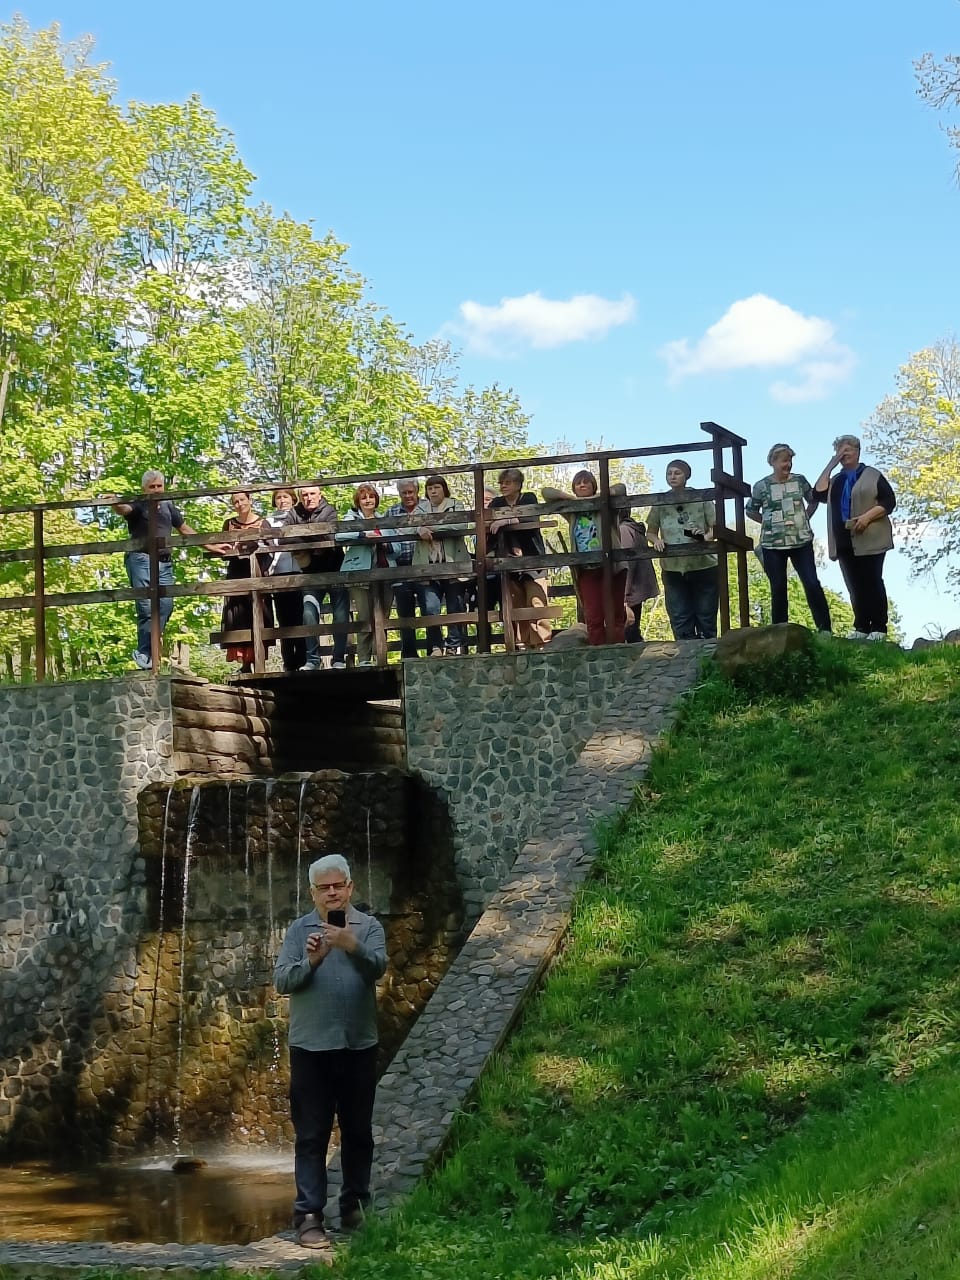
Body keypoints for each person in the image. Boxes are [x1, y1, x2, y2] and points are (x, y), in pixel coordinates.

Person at [273, 854, 386, 1246]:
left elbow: (378, 968)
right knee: (311, 1135)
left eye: (339, 885)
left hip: (358, 1045)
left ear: (350, 887)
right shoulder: (298, 930)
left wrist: (352, 946)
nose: (333, 893)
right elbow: (281, 981)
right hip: (311, 1048)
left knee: (358, 1133)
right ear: (313, 893)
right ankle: (308, 1216)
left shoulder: (368, 927)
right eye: (325, 887)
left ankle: (355, 1209)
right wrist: (312, 961)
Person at [106, 470, 201, 670]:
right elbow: (124, 509)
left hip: (164, 563)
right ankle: (146, 653)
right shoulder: (139, 504)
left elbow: (185, 529)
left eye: (159, 486)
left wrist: (212, 545)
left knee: (166, 605)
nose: (156, 490)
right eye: (152, 487)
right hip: (141, 559)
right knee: (146, 607)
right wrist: (114, 503)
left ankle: (148, 651)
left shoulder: (168, 506)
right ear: (144, 489)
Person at [814, 434, 896, 641]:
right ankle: (861, 626)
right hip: (844, 540)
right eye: (840, 451)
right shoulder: (836, 480)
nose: (844, 454)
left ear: (857, 451)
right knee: (854, 584)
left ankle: (879, 627)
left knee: (872, 581)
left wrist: (867, 518)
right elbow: (817, 493)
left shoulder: (872, 475)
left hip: (870, 537)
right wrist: (831, 464)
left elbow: (889, 502)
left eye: (847, 449)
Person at [746, 444, 833, 634]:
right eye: (784, 460)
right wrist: (767, 522)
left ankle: (825, 629)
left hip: (801, 541)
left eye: (790, 460)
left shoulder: (799, 480)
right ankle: (780, 630)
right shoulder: (761, 486)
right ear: (773, 462)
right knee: (778, 586)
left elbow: (813, 499)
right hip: (772, 544)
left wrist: (805, 517)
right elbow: (750, 510)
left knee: (811, 582)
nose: (788, 464)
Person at [542, 471, 627, 645]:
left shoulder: (605, 505)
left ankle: (618, 651)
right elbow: (546, 493)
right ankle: (597, 652)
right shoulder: (572, 511)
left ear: (593, 485)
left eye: (586, 482)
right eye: (578, 483)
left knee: (615, 614)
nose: (581, 485)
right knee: (593, 616)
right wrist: (571, 499)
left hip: (612, 567)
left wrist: (599, 496)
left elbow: (621, 488)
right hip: (586, 570)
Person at [646, 459, 718, 640]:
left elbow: (716, 527)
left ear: (686, 476)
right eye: (669, 473)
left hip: (703, 564)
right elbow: (650, 532)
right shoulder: (660, 501)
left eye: (677, 473)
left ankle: (708, 651)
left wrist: (705, 538)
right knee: (679, 616)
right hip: (673, 567)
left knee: (706, 615)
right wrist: (657, 541)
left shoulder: (701, 497)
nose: (672, 476)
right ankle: (685, 651)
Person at [283, 485, 349, 671]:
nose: (309, 497)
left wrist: (302, 538)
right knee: (309, 613)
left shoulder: (329, 511)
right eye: (304, 494)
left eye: (312, 493)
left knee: (341, 615)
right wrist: (314, 542)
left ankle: (339, 658)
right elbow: (284, 537)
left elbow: (329, 536)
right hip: (310, 574)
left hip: (335, 570)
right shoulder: (294, 513)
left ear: (320, 495)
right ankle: (313, 660)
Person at [488, 467, 552, 649]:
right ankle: (521, 644)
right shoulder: (497, 502)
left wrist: (507, 521)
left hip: (533, 560)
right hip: (509, 562)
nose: (503, 486)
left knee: (537, 603)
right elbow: (488, 523)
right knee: (516, 605)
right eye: (501, 483)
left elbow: (531, 519)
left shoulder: (528, 498)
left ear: (518, 484)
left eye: (507, 482)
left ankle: (541, 644)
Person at [336, 484, 397, 666]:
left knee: (383, 618)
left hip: (385, 573)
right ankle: (363, 658)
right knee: (364, 617)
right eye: (364, 498)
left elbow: (398, 548)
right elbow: (339, 535)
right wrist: (363, 534)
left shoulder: (384, 520)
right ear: (358, 502)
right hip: (359, 573)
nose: (368, 500)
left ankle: (380, 657)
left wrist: (384, 543)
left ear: (376, 500)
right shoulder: (352, 518)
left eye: (371, 497)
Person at [215, 491, 275, 674]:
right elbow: (222, 550)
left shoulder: (263, 523)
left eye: (242, 500)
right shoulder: (229, 524)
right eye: (235, 501)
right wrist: (230, 549)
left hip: (257, 573)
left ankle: (258, 661)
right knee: (238, 617)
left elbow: (271, 549)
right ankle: (245, 664)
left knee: (257, 615)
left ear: (250, 500)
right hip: (236, 575)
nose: (239, 504)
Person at [412, 474, 472, 657]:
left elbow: (460, 525)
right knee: (430, 608)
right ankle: (436, 647)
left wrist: (434, 529)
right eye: (430, 488)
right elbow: (406, 525)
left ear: (444, 489)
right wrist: (419, 529)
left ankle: (453, 646)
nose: (433, 491)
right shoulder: (420, 508)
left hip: (453, 564)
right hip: (428, 566)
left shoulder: (455, 505)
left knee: (455, 606)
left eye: (437, 487)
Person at [385, 479, 437, 659]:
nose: (408, 496)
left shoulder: (428, 507)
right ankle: (409, 654)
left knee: (430, 608)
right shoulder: (391, 512)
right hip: (401, 568)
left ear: (417, 491)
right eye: (404, 493)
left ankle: (433, 650)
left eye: (410, 492)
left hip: (425, 566)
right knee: (405, 613)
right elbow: (385, 534)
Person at [267, 488, 305, 673]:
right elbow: (265, 545)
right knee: (284, 619)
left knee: (301, 617)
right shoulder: (269, 521)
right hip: (279, 573)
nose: (282, 500)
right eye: (278, 498)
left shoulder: (301, 517)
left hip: (300, 571)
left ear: (293, 499)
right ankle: (289, 662)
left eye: (285, 497)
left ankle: (304, 659)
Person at [617, 510, 660, 642]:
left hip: (628, 592)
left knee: (628, 632)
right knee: (632, 632)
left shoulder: (624, 530)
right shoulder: (632, 528)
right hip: (636, 590)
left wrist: (623, 598)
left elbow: (626, 565)